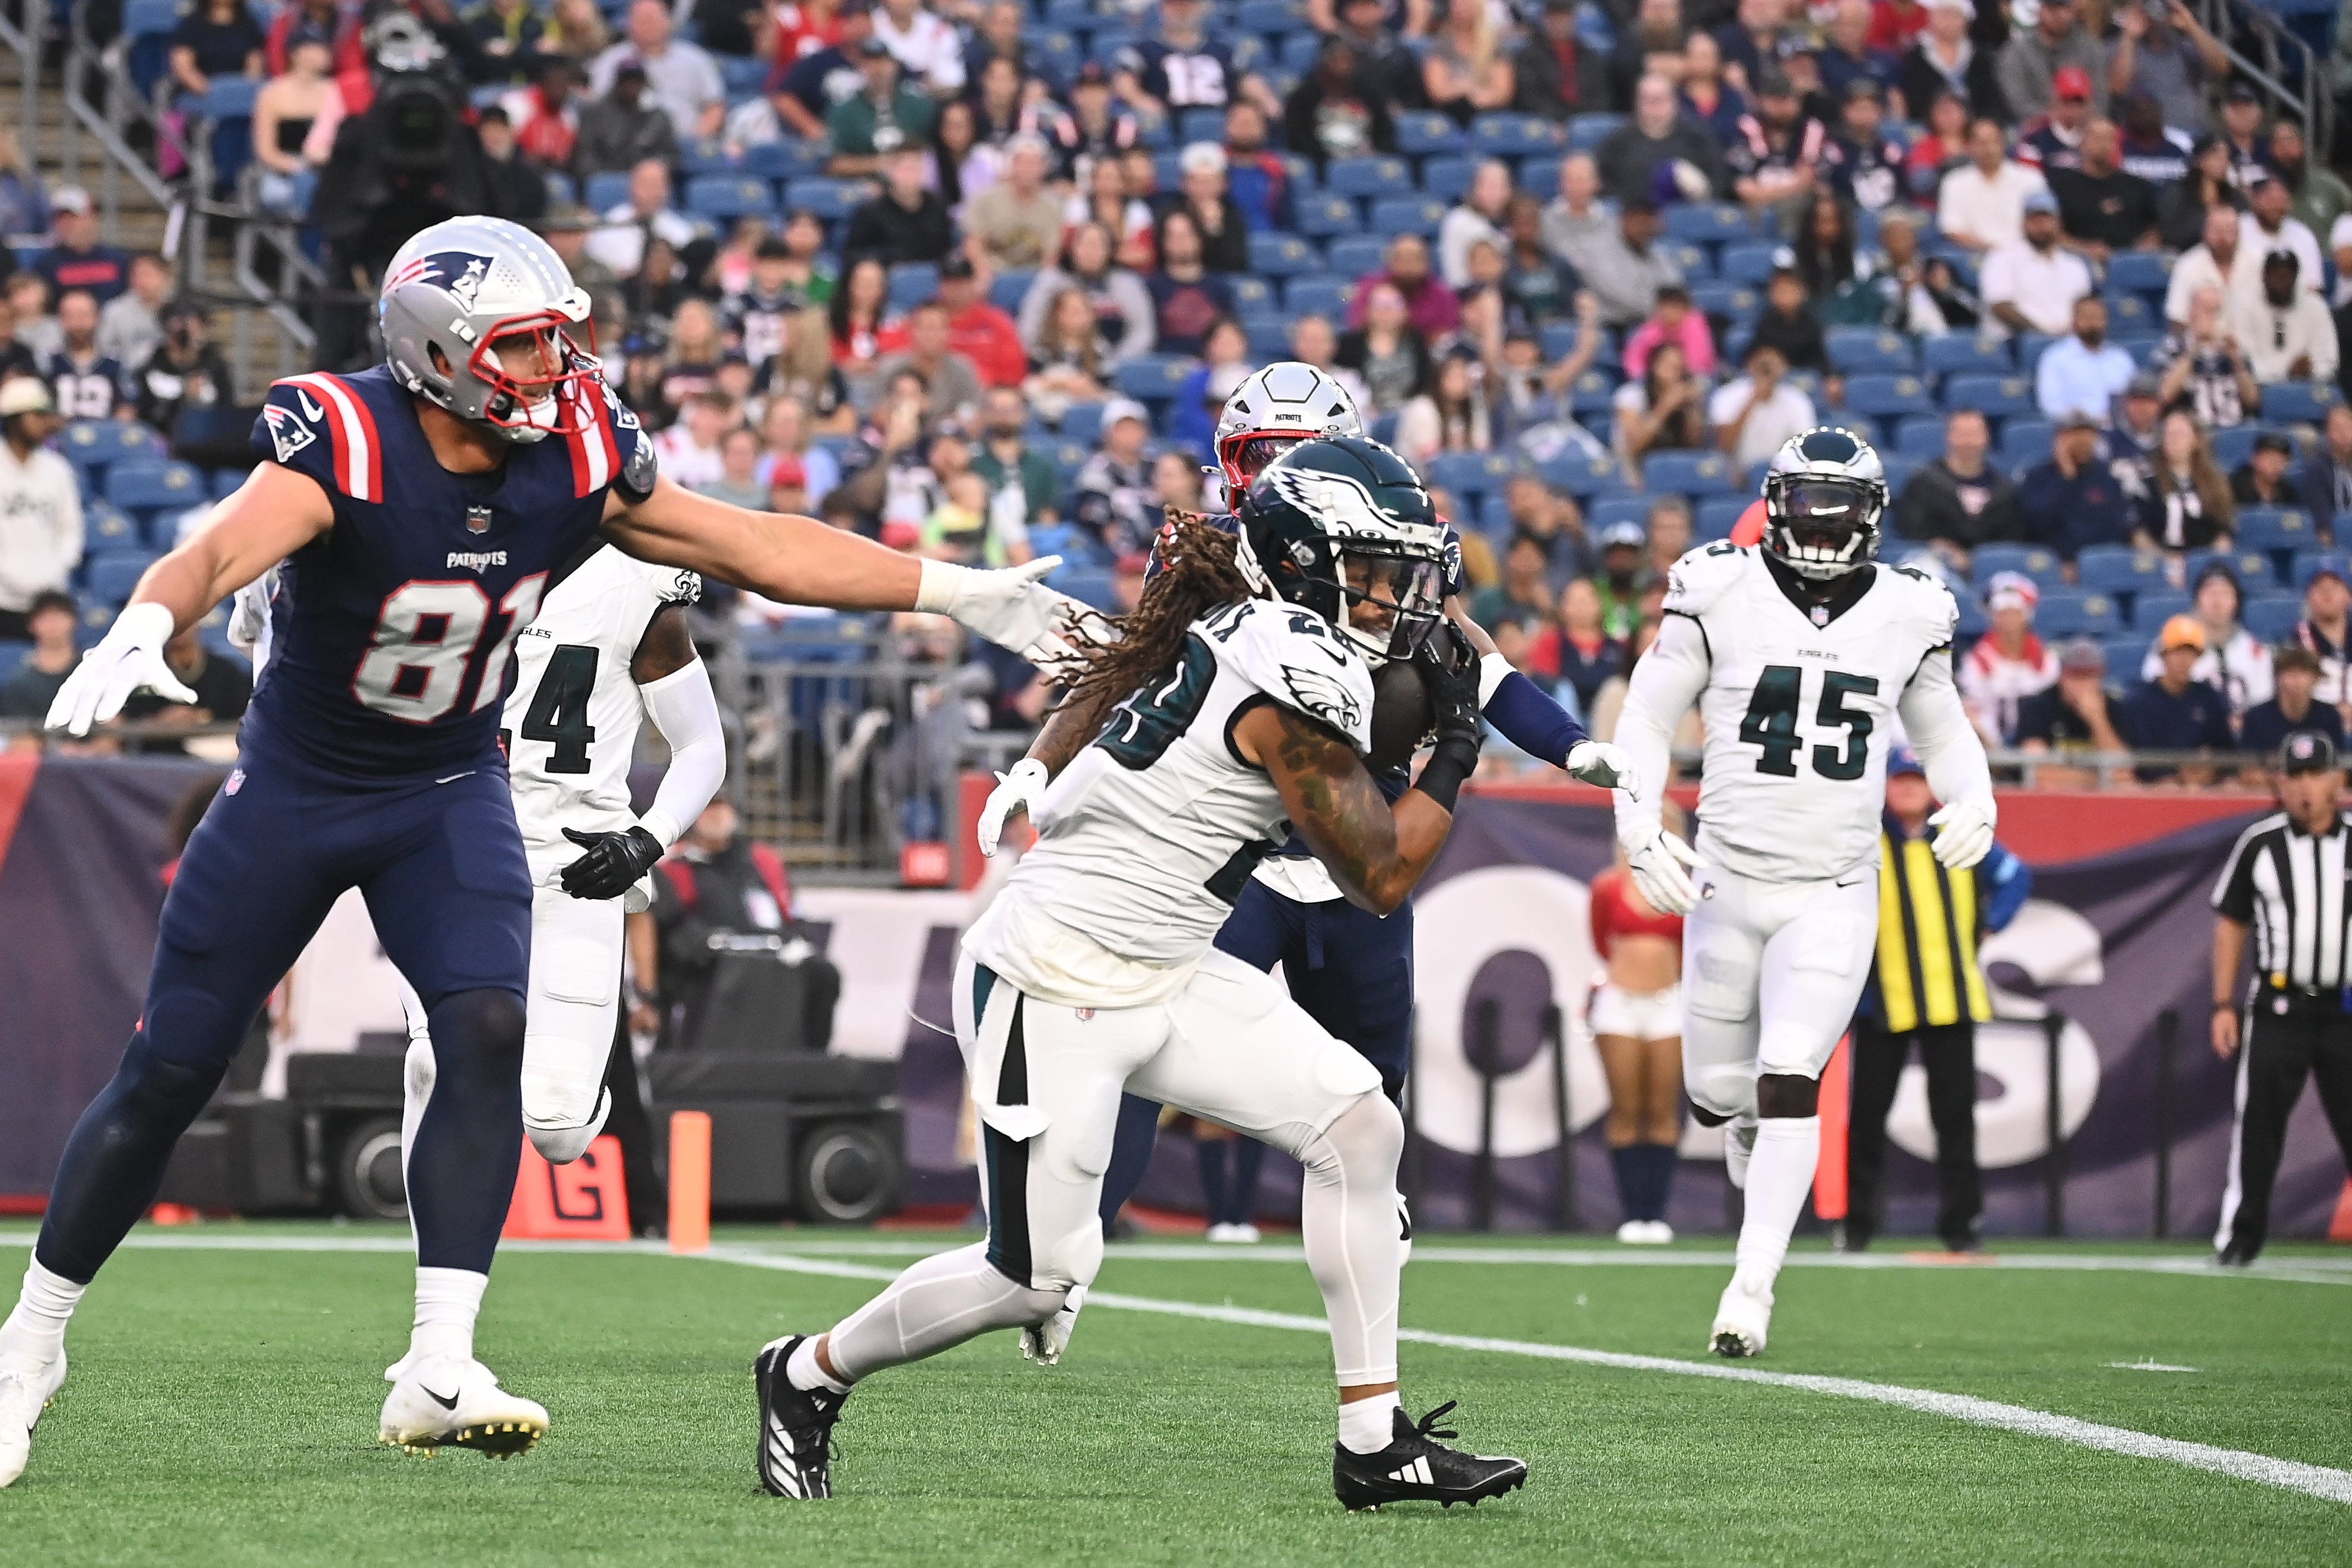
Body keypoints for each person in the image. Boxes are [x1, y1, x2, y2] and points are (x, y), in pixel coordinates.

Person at [0, 215, 1079, 1490]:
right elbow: (228, 541)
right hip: (297, 786)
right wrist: (148, 614)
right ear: (438, 351)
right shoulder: (346, 431)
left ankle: (438, 1363)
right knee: (172, 1064)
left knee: (487, 1025)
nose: (555, 364)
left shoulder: (572, 446)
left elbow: (754, 545)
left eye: (560, 334)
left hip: (445, 783)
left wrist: (960, 591)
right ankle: (32, 1343)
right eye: (523, 341)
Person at [750, 442, 1533, 1510]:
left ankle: (1370, 1438)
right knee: (1027, 1277)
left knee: (1357, 1124)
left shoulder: (1253, 628)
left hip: (1166, 963)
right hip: (1058, 975)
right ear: (1304, 563)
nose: (1397, 596)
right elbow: (1380, 874)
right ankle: (806, 1371)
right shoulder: (1286, 666)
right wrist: (1452, 746)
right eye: (1373, 568)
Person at [982, 370, 1634, 1292]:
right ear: (1230, 465)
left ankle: (1368, 1297)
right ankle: (1068, 1249)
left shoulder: (1384, 564)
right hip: (1239, 862)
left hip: (1353, 846)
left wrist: (1573, 749)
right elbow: (1119, 668)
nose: (1283, 471)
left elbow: (1477, 670)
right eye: (1262, 454)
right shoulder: (1205, 562)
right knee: (1144, 1051)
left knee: (1370, 1093)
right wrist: (1040, 761)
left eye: (1300, 451)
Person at [1610, 426, 1997, 1357]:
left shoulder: (1908, 609)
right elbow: (1646, 714)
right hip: (1726, 880)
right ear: (1774, 505)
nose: (1821, 525)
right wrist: (1636, 825)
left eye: (1840, 506)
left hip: (1832, 886)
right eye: (1805, 503)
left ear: (1871, 516)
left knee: (1790, 1074)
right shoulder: (1718, 586)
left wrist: (1974, 794)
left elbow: (1941, 730)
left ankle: (1752, 1288)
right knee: (1714, 1093)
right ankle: (1747, 1141)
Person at [1843, 746, 2029, 1254]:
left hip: (1950, 998)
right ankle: (1857, 1225)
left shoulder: (1958, 834)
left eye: (1915, 780)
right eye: (1899, 780)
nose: (1907, 789)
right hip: (1882, 1000)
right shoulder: (1864, 839)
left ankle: (1961, 1226)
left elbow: (2015, 876)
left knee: (1954, 1117)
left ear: (1931, 786)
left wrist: (1991, 923)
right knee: (1866, 1118)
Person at [2208, 730, 2352, 1264]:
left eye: (2317, 775)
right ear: (2281, 784)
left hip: (2346, 1010)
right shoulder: (2261, 843)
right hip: (2279, 1006)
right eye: (2296, 777)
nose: (2307, 788)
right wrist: (2223, 1003)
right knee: (2260, 1126)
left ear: (2339, 779)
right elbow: (2231, 923)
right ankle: (2241, 1238)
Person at [1589, 824, 1688, 1244]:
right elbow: (1600, 939)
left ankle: (1656, 1213)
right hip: (1620, 1002)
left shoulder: (1685, 887)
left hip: (1670, 1001)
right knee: (1626, 1107)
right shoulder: (1608, 885)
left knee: (1662, 1107)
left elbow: (1691, 945)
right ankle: (1632, 1214)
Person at [0, 377, 79, 642]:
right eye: (38, 415)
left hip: (49, 601)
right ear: (13, 419)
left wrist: (56, 570)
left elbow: (71, 529)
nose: (46, 423)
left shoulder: (58, 470)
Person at [1894, 407, 2019, 572]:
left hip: (1993, 572)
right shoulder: (1925, 483)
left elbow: (2013, 538)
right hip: (1939, 568)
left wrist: (1979, 560)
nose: (1968, 442)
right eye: (1961, 434)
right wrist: (1943, 548)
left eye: (1974, 434)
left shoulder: (2004, 491)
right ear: (1948, 437)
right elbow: (1911, 528)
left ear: (1987, 437)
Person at [2139, 559, 2268, 715]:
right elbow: (2154, 696)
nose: (2217, 602)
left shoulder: (2255, 650)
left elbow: (2264, 704)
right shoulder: (2170, 644)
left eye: (2225, 594)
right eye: (2210, 593)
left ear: (2236, 602)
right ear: (2197, 599)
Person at [587, 0, 723, 142]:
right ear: (628, 25)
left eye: (652, 20)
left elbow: (714, 108)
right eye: (641, 20)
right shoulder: (611, 61)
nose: (647, 26)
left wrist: (693, 140)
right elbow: (599, 107)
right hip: (628, 145)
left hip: (685, 142)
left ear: (668, 22)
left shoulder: (696, 59)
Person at [2118, 614, 2236, 768]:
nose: (2184, 660)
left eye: (2191, 653)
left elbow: (2227, 753)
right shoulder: (2140, 700)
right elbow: (2141, 757)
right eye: (2177, 652)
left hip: (2203, 784)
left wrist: (2209, 769)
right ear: (2164, 655)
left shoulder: (2208, 697)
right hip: (2153, 786)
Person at [1597, 74, 1729, 208]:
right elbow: (1603, 185)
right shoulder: (1617, 142)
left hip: (1688, 218)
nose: (1654, 107)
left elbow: (1717, 181)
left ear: (1674, 102)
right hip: (1633, 219)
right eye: (1647, 100)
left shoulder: (1697, 138)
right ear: (1637, 103)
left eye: (1660, 100)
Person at [1959, 571, 2058, 744]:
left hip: (2037, 743)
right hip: (1990, 745)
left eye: (2015, 614)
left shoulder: (2046, 661)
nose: (2009, 622)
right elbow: (1975, 710)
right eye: (2002, 614)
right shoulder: (1976, 661)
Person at [2019, 412, 2134, 560]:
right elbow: (2038, 526)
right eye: (2075, 434)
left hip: (2099, 563)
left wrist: (2088, 564)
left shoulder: (2106, 477)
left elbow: (2116, 529)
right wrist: (2066, 478)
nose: (2083, 440)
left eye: (2088, 434)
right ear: (2059, 438)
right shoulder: (2038, 477)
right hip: (2053, 562)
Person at [2103, 0, 2225, 138]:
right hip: (2141, 138)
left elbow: (2221, 69)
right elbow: (2117, 89)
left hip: (2187, 134)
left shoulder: (2185, 47)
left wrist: (2191, 25)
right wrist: (2129, 37)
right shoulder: (2119, 47)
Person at [1981, 190, 2092, 339]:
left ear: (2059, 223)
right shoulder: (2002, 257)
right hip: (2018, 342)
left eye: (2047, 220)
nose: (2042, 226)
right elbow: (2000, 306)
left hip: (2067, 343)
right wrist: (2042, 336)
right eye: (2035, 220)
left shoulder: (2074, 265)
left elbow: (2084, 310)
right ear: (2023, 223)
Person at [2048, 117, 2158, 266]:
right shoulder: (2062, 186)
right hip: (2079, 264)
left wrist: (2145, 247)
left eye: (2110, 140)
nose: (2104, 145)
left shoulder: (2136, 185)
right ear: (2082, 142)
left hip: (2131, 265)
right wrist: (2084, 249)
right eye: (2098, 139)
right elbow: (2054, 233)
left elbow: (2154, 228)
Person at [2131, 411, 2237, 559]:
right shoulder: (2147, 482)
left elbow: (2224, 533)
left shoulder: (2215, 483)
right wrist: (2164, 561)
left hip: (2205, 562)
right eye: (2169, 434)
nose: (2174, 440)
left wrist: (2209, 562)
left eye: (2180, 434)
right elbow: (2138, 533)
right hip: (2160, 562)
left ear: (2196, 441)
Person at [1939, 118, 2049, 255]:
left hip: (2025, 253)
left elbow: (2044, 222)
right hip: (1975, 255)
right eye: (1981, 143)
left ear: (2003, 143)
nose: (1989, 149)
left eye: (1994, 141)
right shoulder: (1955, 182)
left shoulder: (2031, 179)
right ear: (1970, 146)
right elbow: (1953, 229)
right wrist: (1992, 250)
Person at [2153, 283, 2257, 429]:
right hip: (2192, 432)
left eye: (2217, 311)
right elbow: (2164, 395)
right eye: (2207, 310)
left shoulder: (2234, 350)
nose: (2213, 316)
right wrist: (2195, 349)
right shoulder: (2172, 347)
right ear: (2191, 313)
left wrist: (2236, 361)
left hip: (2233, 428)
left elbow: (2252, 400)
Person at [2013, 635, 2128, 760]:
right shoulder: (2036, 707)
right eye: (2076, 676)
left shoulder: (2114, 708)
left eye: (2090, 676)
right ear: (2062, 677)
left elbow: (2122, 772)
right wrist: (2098, 777)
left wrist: (2097, 720)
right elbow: (2038, 770)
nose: (2083, 685)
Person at [2235, 250, 2338, 386]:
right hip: (2262, 389)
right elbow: (2245, 361)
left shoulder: (2316, 307)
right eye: (2275, 275)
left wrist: (2311, 370)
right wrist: (2287, 371)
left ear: (2296, 277)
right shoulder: (2246, 307)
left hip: (2310, 386)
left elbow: (2329, 361)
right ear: (2264, 277)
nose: (2280, 282)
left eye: (2286, 276)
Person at [1710, 342, 1816, 474]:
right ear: (1750, 364)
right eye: (1763, 366)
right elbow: (1725, 445)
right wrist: (1753, 400)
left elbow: (1804, 448)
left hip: (1783, 474)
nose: (1768, 371)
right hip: (1736, 476)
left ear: (1784, 368)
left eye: (1774, 365)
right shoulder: (1727, 395)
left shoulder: (1797, 400)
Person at [1995, 0, 2105, 125]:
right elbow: (2017, 103)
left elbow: (2100, 101)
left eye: (2064, 9)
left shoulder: (2091, 49)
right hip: (2031, 129)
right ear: (2040, 11)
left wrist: (2075, 118)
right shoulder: (2015, 52)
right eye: (2051, 9)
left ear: (2073, 11)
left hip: (2083, 128)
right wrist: (2055, 119)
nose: (2058, 15)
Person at [1581, 199, 1684, 331]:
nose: (1641, 228)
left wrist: (1673, 309)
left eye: (1646, 223)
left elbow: (1675, 287)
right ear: (1623, 221)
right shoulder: (1600, 252)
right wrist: (1662, 311)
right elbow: (1619, 296)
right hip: (1615, 325)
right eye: (1637, 222)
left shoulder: (1658, 254)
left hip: (1655, 322)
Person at [844, 145, 953, 266]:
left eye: (916, 169)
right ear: (890, 171)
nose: (910, 176)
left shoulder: (938, 205)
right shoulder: (871, 211)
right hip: (888, 272)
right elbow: (854, 253)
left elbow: (945, 248)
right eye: (905, 169)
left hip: (930, 272)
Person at [1900, 0, 2004, 124]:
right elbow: (1915, 97)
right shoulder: (1917, 56)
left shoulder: (1980, 57)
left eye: (1954, 16)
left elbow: (1989, 96)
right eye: (1943, 15)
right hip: (1930, 125)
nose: (1948, 22)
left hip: (1975, 124)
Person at [2035, 294, 2134, 422]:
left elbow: (2134, 397)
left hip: (2118, 429)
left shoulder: (2121, 359)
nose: (2093, 324)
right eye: (2087, 318)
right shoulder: (2056, 358)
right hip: (2078, 429)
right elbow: (2050, 404)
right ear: (2074, 320)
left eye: (2098, 318)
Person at [1615, 341, 1707, 469]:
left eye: (1679, 368)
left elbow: (1695, 445)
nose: (1675, 372)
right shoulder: (1631, 394)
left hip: (1676, 465)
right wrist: (1666, 406)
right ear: (1655, 365)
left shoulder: (1684, 398)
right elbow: (1634, 446)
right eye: (1670, 366)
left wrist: (1693, 408)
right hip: (1634, 467)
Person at [2240, 642, 2344, 754]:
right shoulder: (2256, 718)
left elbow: (2340, 767)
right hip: (2274, 771)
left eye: (2303, 673)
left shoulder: (2329, 716)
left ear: (2316, 678)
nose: (2297, 680)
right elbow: (2249, 769)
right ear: (2277, 678)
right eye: (2290, 673)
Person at [0, 589, 79, 723]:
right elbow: (23, 738)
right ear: (31, 625)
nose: (53, 625)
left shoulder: (94, 671)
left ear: (74, 620)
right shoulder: (19, 682)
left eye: (59, 616)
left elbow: (112, 727)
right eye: (45, 618)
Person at [2016, 64, 2094, 173]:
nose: (2073, 107)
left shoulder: (2097, 138)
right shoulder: (2035, 138)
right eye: (2066, 100)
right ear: (2055, 100)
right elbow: (2029, 181)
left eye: (2078, 101)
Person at [2300, 406, 2352, 538]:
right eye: (2338, 429)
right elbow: (2322, 520)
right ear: (2328, 433)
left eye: (2348, 428)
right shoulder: (2317, 469)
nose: (2344, 434)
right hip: (2336, 537)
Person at [2232, 430, 2301, 506]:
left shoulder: (2288, 493)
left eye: (2282, 461)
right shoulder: (2234, 488)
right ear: (2254, 459)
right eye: (2271, 459)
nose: (2277, 466)